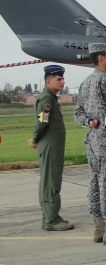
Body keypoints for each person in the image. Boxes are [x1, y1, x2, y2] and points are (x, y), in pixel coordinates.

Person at [74, 43, 106, 245]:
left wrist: (88, 122)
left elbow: (78, 112)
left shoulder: (85, 83)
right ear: (101, 57)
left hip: (92, 140)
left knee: (94, 183)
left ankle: (98, 226)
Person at [29, 64, 74, 231]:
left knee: (50, 181)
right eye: (59, 79)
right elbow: (42, 122)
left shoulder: (50, 97)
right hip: (50, 146)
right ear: (48, 81)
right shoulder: (47, 99)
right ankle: (52, 219)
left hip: (51, 145)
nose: (62, 82)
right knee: (51, 182)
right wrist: (35, 139)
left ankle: (49, 216)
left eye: (62, 78)